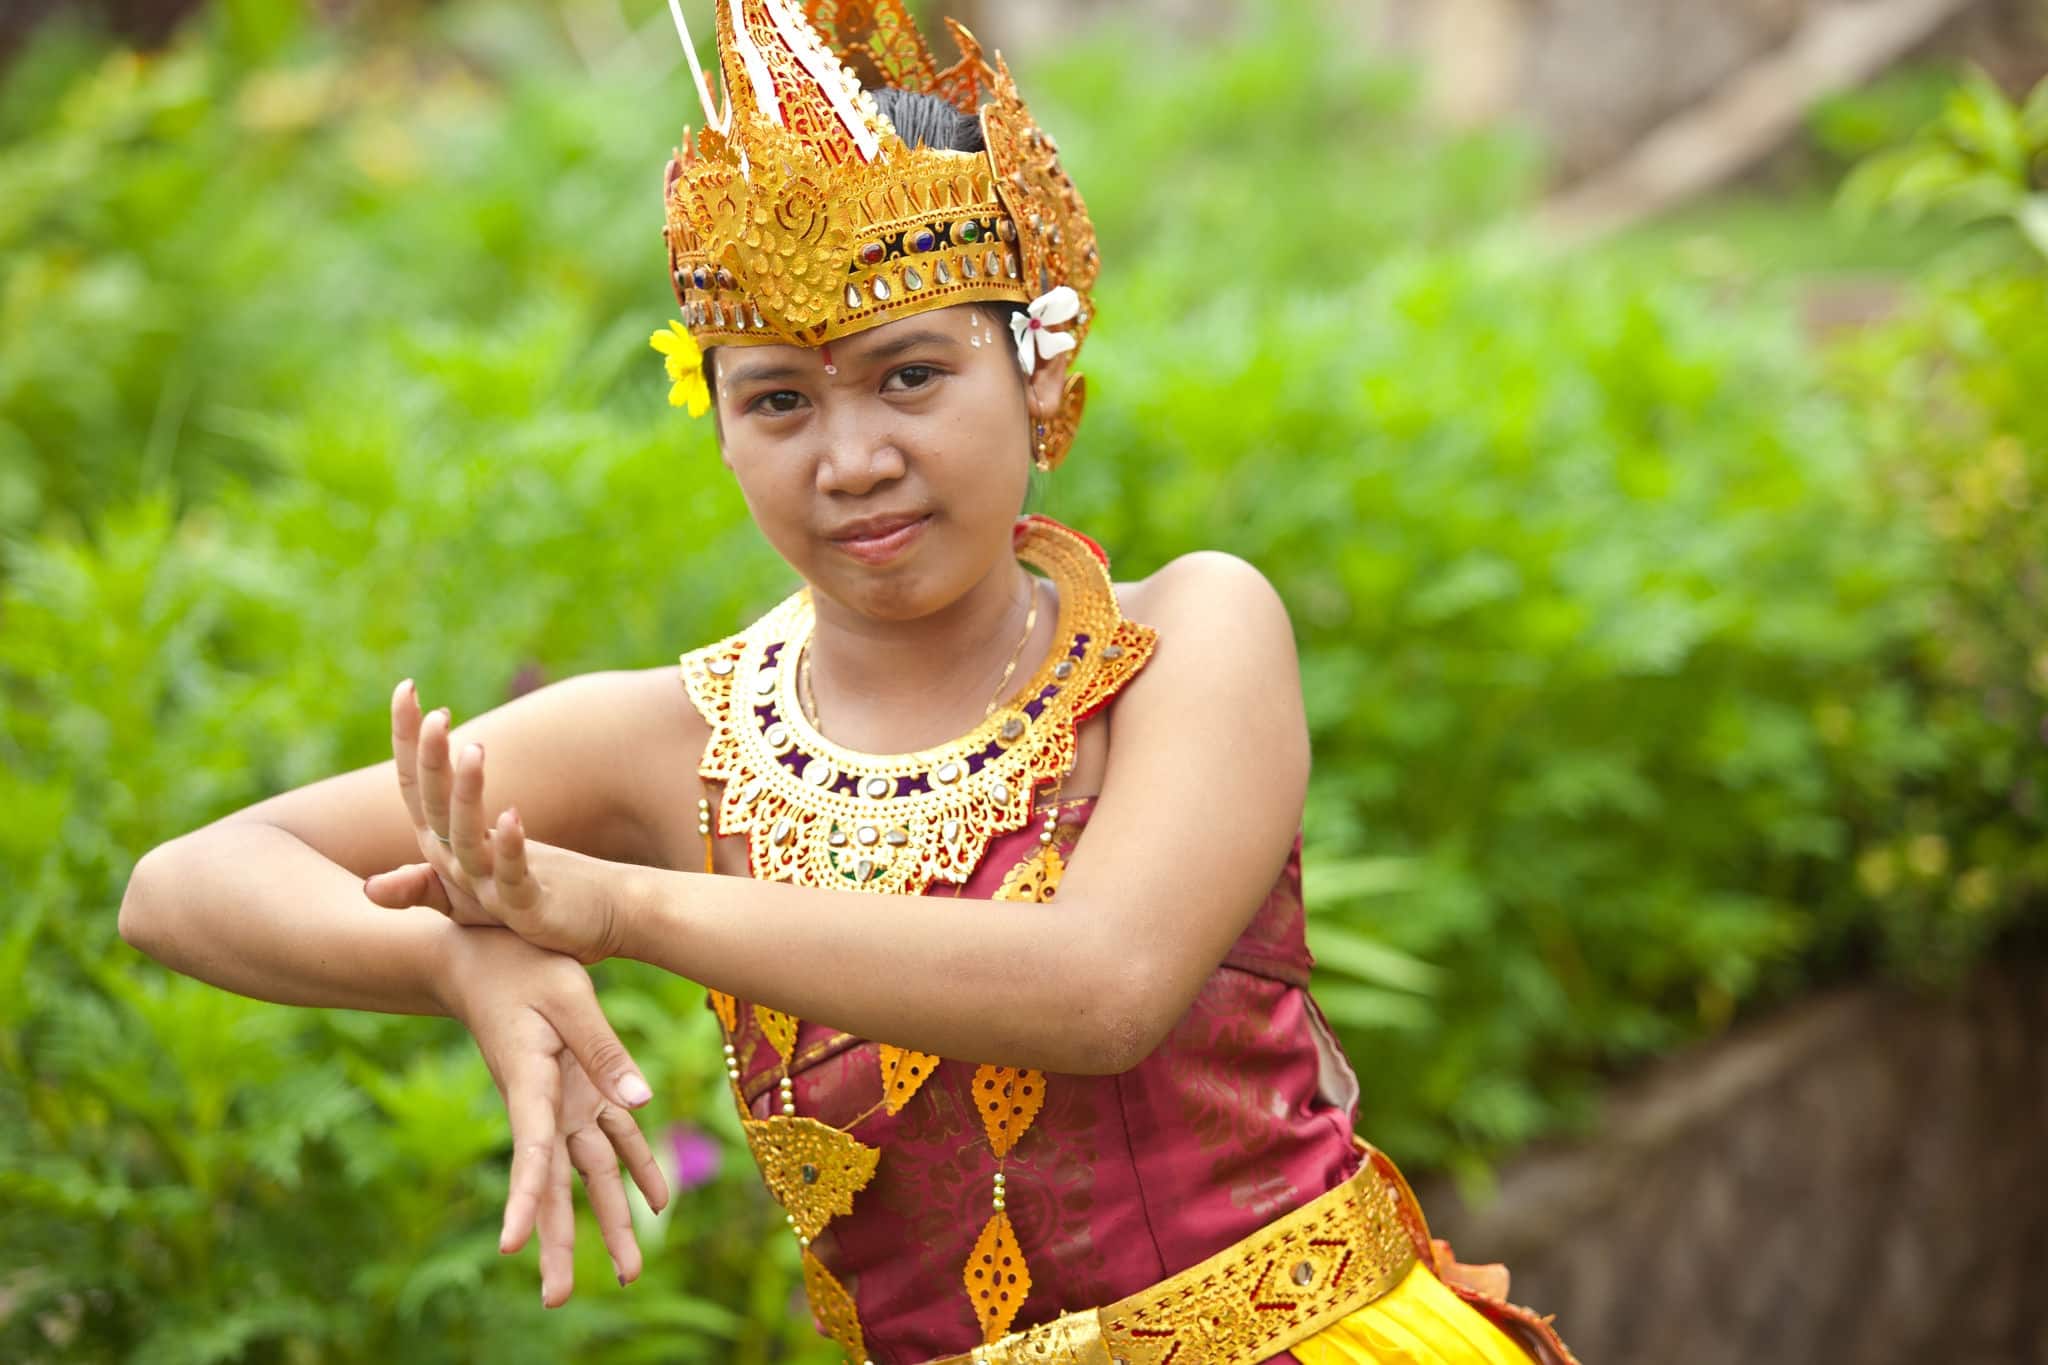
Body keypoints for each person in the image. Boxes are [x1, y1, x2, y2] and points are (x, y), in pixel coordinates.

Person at [119, 3, 1577, 1362]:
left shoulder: (1188, 637)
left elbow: (1103, 985)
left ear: (1039, 374)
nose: (852, 458)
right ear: (721, 429)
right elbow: (187, 883)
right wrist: (462, 958)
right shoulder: (674, 737)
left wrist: (618, 907)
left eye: (910, 376)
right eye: (777, 401)